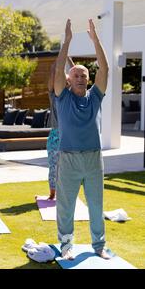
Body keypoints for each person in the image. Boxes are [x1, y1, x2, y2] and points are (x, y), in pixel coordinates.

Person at [54, 19, 111, 260]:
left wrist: (95, 40)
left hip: (92, 158)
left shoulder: (94, 97)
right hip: (68, 159)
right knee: (65, 206)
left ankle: (99, 246)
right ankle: (66, 246)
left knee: (96, 204)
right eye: (75, 74)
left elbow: (105, 69)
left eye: (83, 75)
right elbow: (58, 70)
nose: (80, 77)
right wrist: (67, 41)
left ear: (87, 79)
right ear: (68, 79)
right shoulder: (62, 97)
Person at [46, 57, 74, 200]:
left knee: (67, 168)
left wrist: (68, 59)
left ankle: (66, 193)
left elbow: (76, 76)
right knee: (53, 166)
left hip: (68, 136)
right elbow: (53, 77)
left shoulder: (73, 96)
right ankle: (52, 193)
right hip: (56, 135)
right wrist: (57, 64)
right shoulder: (54, 96)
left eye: (68, 81)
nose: (65, 82)